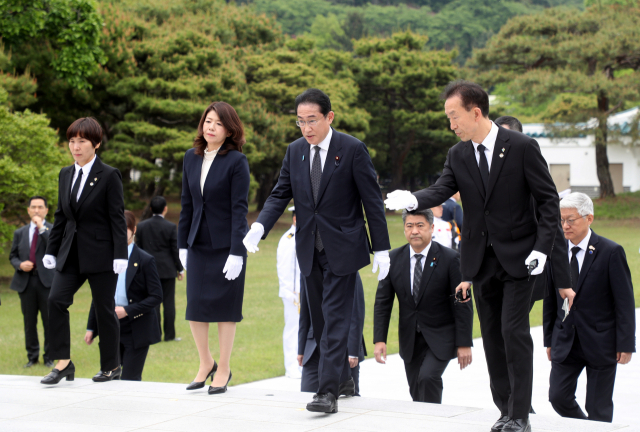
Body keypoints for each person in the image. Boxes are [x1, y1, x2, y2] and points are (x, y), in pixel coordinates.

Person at [384, 80, 574, 432]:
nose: (451, 125)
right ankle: (505, 411)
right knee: (491, 336)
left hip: (520, 259)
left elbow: (549, 202)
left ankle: (520, 415)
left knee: (512, 331)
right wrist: (412, 199)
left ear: (475, 112)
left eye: (454, 117)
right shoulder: (458, 154)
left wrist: (541, 250)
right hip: (479, 262)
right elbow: (443, 188)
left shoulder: (521, 146)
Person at [243, 88, 390, 413]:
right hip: (309, 249)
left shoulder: (351, 149)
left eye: (312, 120)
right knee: (322, 322)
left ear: (329, 117)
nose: (306, 128)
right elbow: (281, 193)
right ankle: (343, 380)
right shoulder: (295, 151)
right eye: (300, 122)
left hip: (344, 247)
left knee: (336, 318)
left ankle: (326, 394)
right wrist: (259, 227)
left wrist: (381, 248)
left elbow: (371, 201)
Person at [41, 117, 128, 385]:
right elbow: (61, 216)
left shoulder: (109, 175)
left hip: (102, 255)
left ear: (96, 144)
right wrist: (51, 249)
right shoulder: (65, 174)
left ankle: (112, 366)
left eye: (82, 141)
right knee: (55, 300)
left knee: (104, 310)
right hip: (71, 254)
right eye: (71, 141)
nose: (75, 147)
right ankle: (63, 363)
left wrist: (120, 254)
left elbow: (117, 218)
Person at [544, 193, 635, 423]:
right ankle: (586, 427)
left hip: (601, 342)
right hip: (566, 341)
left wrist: (626, 344)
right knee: (557, 397)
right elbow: (550, 299)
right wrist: (549, 340)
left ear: (589, 218)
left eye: (570, 220)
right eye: (561, 220)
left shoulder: (611, 252)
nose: (565, 225)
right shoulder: (556, 252)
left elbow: (624, 303)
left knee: (599, 408)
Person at [178, 101, 250, 395]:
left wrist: (237, 251)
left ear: (230, 129)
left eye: (218, 123)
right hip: (196, 243)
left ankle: (223, 367)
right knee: (195, 306)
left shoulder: (236, 162)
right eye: (208, 121)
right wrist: (181, 244)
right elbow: (186, 204)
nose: (211, 127)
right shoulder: (190, 158)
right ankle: (205, 362)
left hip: (226, 247)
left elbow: (239, 209)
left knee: (225, 310)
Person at [374, 208, 473, 403]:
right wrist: (380, 339)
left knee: (428, 378)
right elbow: (383, 302)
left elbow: (462, 304)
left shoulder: (451, 258)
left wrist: (464, 343)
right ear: (404, 230)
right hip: (410, 338)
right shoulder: (392, 260)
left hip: (441, 335)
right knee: (416, 388)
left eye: (420, 226)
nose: (415, 231)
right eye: (409, 226)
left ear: (431, 228)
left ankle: (432, 422)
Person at [494, 115, 571, 315]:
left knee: (511, 330)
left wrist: (563, 283)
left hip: (524, 269)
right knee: (496, 334)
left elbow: (553, 228)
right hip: (492, 272)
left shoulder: (531, 177)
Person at [85, 211, 163, 381]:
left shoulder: (145, 260)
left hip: (137, 327)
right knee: (109, 377)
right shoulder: (105, 258)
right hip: (110, 326)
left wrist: (128, 310)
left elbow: (156, 296)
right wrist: (92, 327)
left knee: (130, 379)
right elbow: (99, 295)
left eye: (124, 229)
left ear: (133, 230)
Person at [298, 273, 367, 397]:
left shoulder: (348, 268)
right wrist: (301, 348)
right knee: (306, 395)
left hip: (343, 350)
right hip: (313, 349)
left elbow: (356, 311)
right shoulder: (307, 269)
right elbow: (305, 310)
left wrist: (353, 351)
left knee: (348, 402)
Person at [9, 196, 55, 368]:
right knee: (29, 322)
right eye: (33, 207)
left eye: (40, 207)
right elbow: (12, 256)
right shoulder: (19, 233)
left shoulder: (52, 229)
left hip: (46, 283)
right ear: (28, 210)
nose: (36, 210)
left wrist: (41, 228)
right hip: (26, 282)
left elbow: (53, 248)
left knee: (49, 321)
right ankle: (32, 356)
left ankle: (49, 357)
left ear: (46, 211)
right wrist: (20, 264)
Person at [136, 195, 183, 342]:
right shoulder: (170, 227)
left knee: (153, 302)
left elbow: (139, 249)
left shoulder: (142, 226)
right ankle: (170, 335)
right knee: (169, 303)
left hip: (149, 270)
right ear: (165, 209)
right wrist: (180, 269)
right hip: (168, 270)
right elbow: (175, 250)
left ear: (150, 209)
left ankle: (154, 335)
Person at [277, 206, 303, 379]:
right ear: (295, 219)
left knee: (302, 330)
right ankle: (291, 367)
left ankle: (300, 365)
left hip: (303, 292)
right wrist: (290, 291)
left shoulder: (301, 236)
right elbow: (285, 267)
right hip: (294, 293)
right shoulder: (289, 239)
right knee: (292, 330)